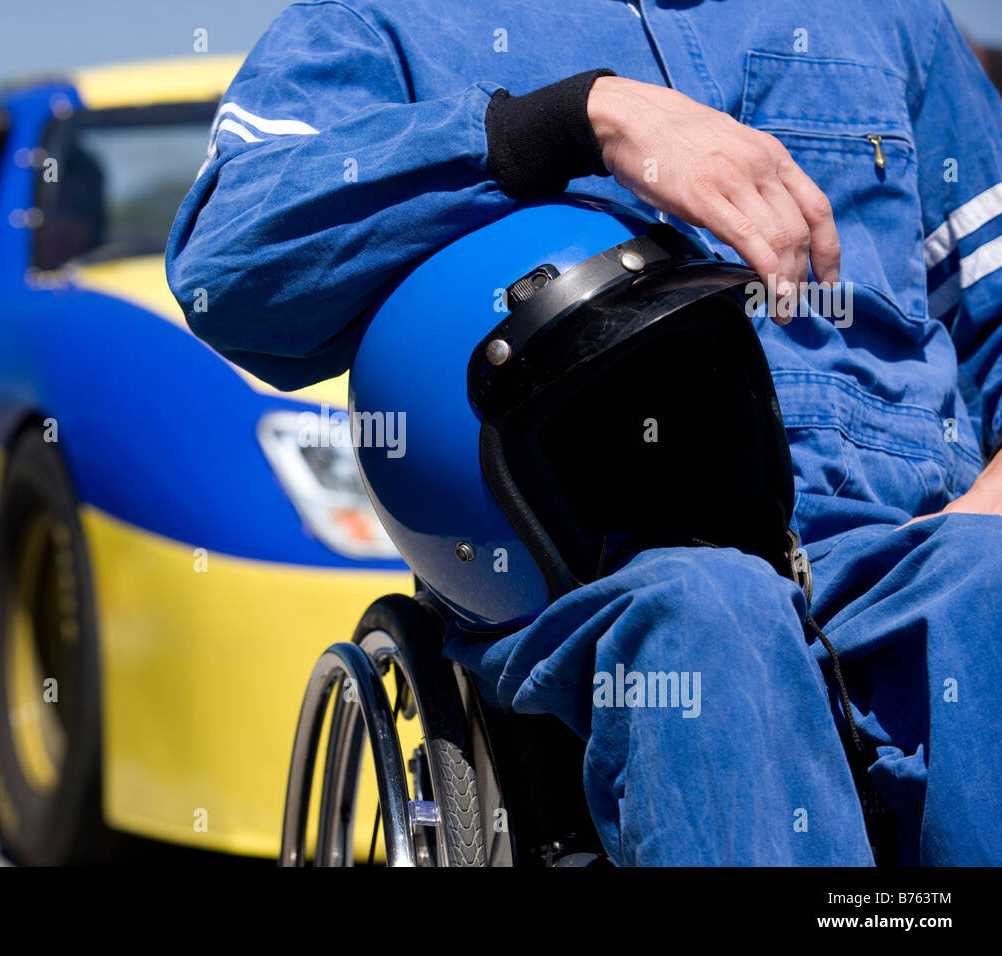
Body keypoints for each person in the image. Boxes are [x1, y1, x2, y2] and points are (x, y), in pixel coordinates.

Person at [166, 0, 1002, 864]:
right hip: (604, 572)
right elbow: (228, 267)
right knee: (709, 618)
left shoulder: (889, 15)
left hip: (907, 549)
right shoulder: (385, 21)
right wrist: (569, 122)